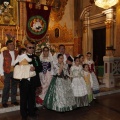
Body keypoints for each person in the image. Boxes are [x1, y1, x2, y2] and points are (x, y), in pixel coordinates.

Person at [19, 41, 42, 120]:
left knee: (32, 98)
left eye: (33, 47)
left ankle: (31, 113)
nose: (31, 49)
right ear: (26, 48)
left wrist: (35, 68)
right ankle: (24, 114)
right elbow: (16, 66)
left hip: (33, 81)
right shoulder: (22, 57)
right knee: (24, 99)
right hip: (24, 81)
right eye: (30, 47)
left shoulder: (36, 57)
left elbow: (40, 68)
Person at [0, 40, 19, 108]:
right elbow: (0, 64)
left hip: (15, 71)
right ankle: (4, 101)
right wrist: (2, 74)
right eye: (10, 44)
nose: (12, 45)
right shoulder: (3, 53)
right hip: (6, 71)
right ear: (7, 46)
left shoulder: (17, 52)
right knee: (6, 87)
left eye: (13, 44)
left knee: (14, 86)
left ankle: (13, 100)